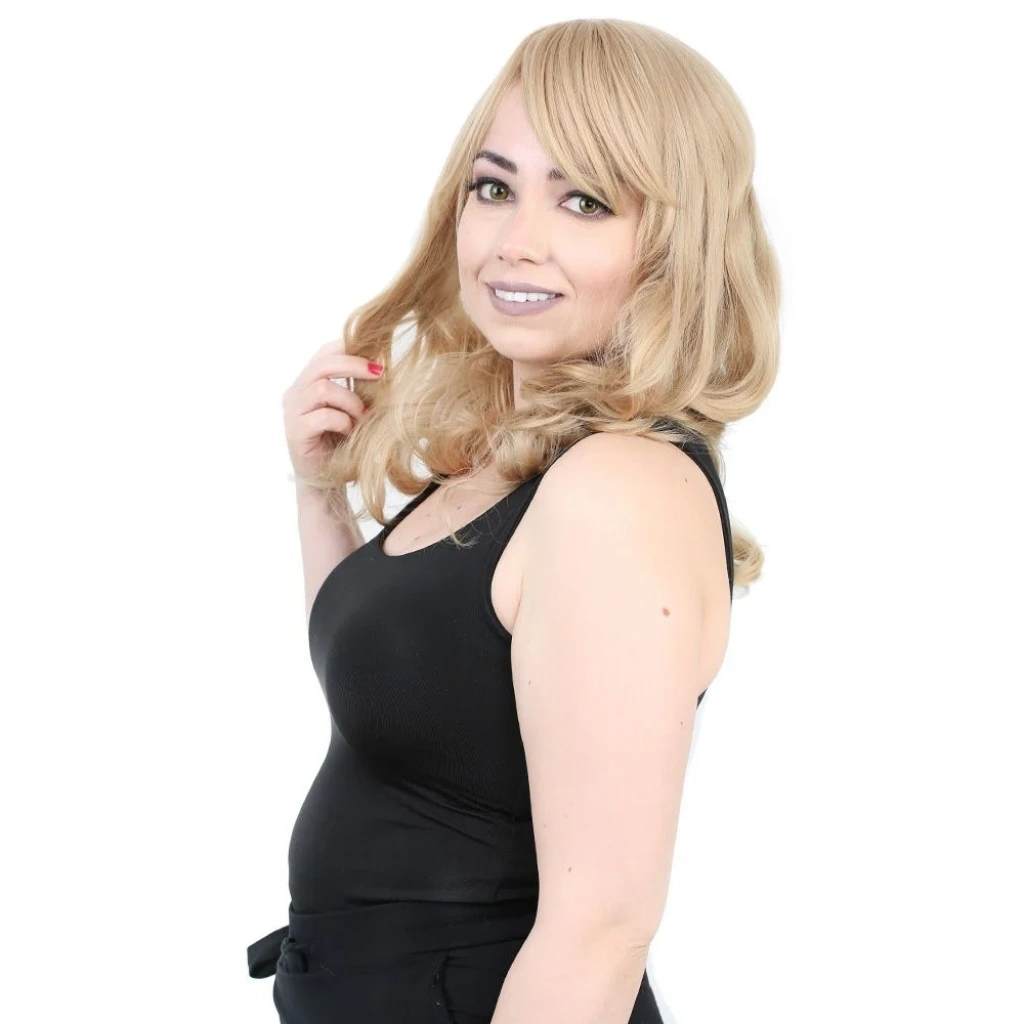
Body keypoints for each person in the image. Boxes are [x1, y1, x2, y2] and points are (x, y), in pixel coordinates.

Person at [248, 17, 780, 1024]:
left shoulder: (618, 486)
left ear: (674, 245)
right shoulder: (516, 461)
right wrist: (321, 494)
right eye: (494, 188)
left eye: (584, 200)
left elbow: (600, 931)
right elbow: (392, 696)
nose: (514, 240)